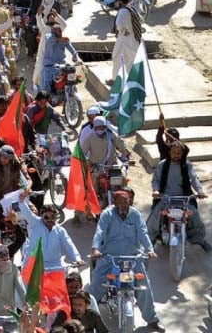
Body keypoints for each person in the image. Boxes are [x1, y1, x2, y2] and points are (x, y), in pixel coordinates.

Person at [89, 189, 163, 331]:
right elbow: (100, 231)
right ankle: (88, 317)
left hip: (133, 258)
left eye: (126, 200)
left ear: (129, 200)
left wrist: (150, 250)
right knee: (96, 285)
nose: (123, 203)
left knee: (144, 287)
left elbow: (142, 232)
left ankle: (152, 319)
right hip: (110, 257)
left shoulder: (135, 214)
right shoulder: (107, 214)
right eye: (120, 201)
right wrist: (95, 248)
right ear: (115, 202)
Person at [148, 141, 209, 251]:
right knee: (155, 218)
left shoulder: (187, 165)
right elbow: (155, 180)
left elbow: (194, 178)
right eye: (174, 152)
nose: (176, 155)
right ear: (169, 152)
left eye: (178, 153)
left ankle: (199, 240)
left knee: (196, 218)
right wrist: (156, 191)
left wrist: (200, 191)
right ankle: (151, 240)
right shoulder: (162, 164)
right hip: (166, 199)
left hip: (184, 199)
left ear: (182, 154)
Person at [18, 192, 82, 270]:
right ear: (41, 217)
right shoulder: (35, 223)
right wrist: (22, 202)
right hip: (35, 264)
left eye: (52, 217)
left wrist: (77, 259)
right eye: (46, 217)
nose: (49, 220)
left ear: (56, 217)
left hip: (55, 265)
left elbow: (69, 244)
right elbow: (27, 213)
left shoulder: (60, 231)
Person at [109, 0, 142, 82]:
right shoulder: (132, 9)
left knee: (116, 58)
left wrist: (123, 31)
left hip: (124, 40)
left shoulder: (122, 11)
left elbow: (119, 24)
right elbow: (141, 20)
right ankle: (133, 81)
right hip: (134, 40)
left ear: (120, 2)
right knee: (130, 61)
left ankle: (115, 80)